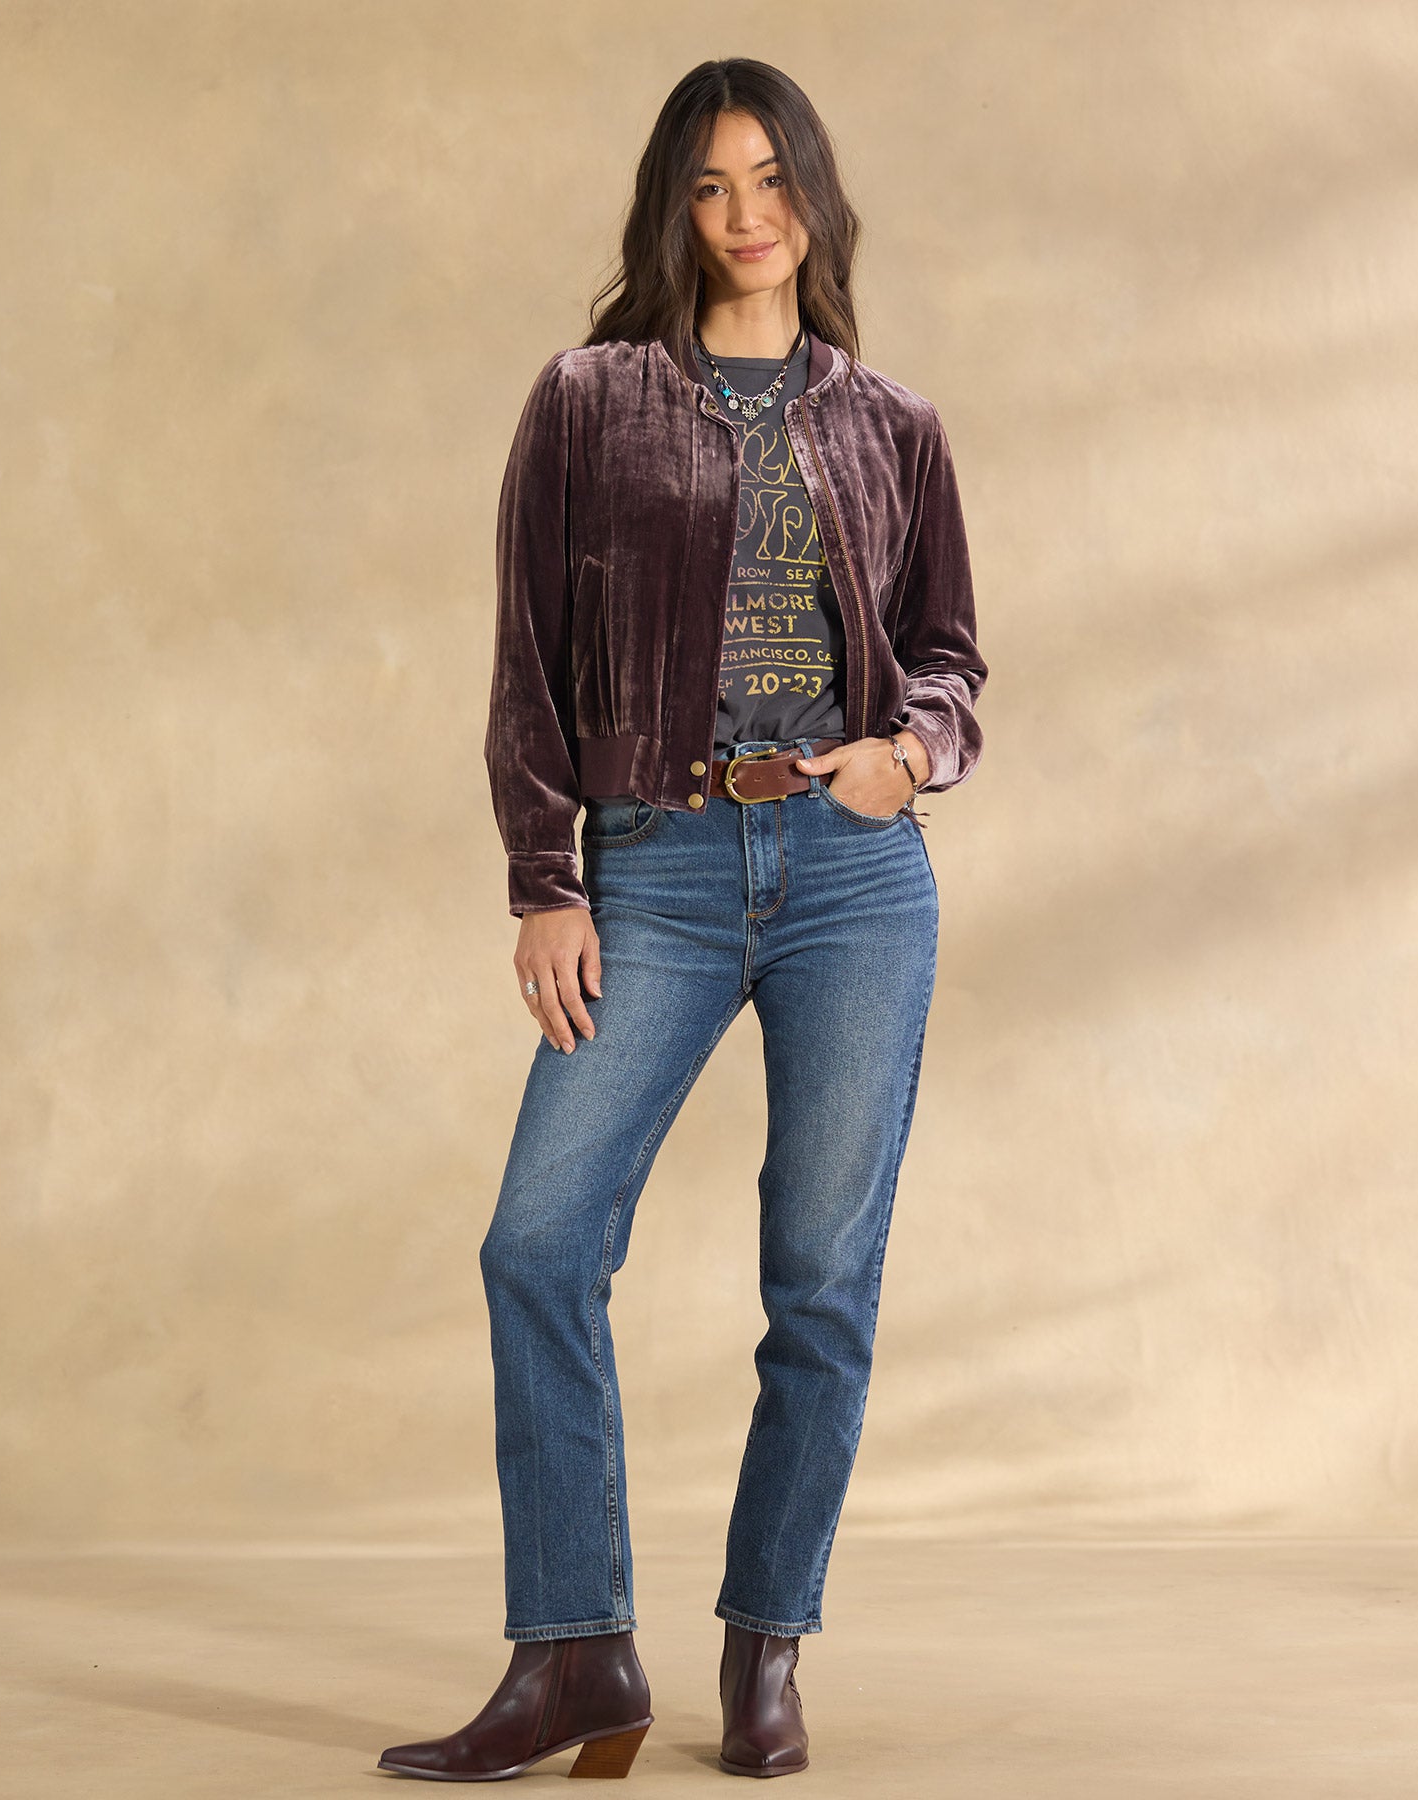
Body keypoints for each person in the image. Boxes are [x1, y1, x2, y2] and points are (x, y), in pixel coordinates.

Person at [379, 57, 986, 1784]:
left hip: (854, 882)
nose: (745, 215)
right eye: (711, 186)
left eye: (772, 179)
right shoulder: (588, 402)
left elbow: (952, 660)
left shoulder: (895, 423)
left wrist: (907, 754)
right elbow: (526, 661)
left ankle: (765, 1644)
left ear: (815, 198)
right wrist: (544, 878)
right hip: (655, 861)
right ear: (675, 208)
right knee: (539, 1243)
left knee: (822, 1282)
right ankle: (577, 1653)